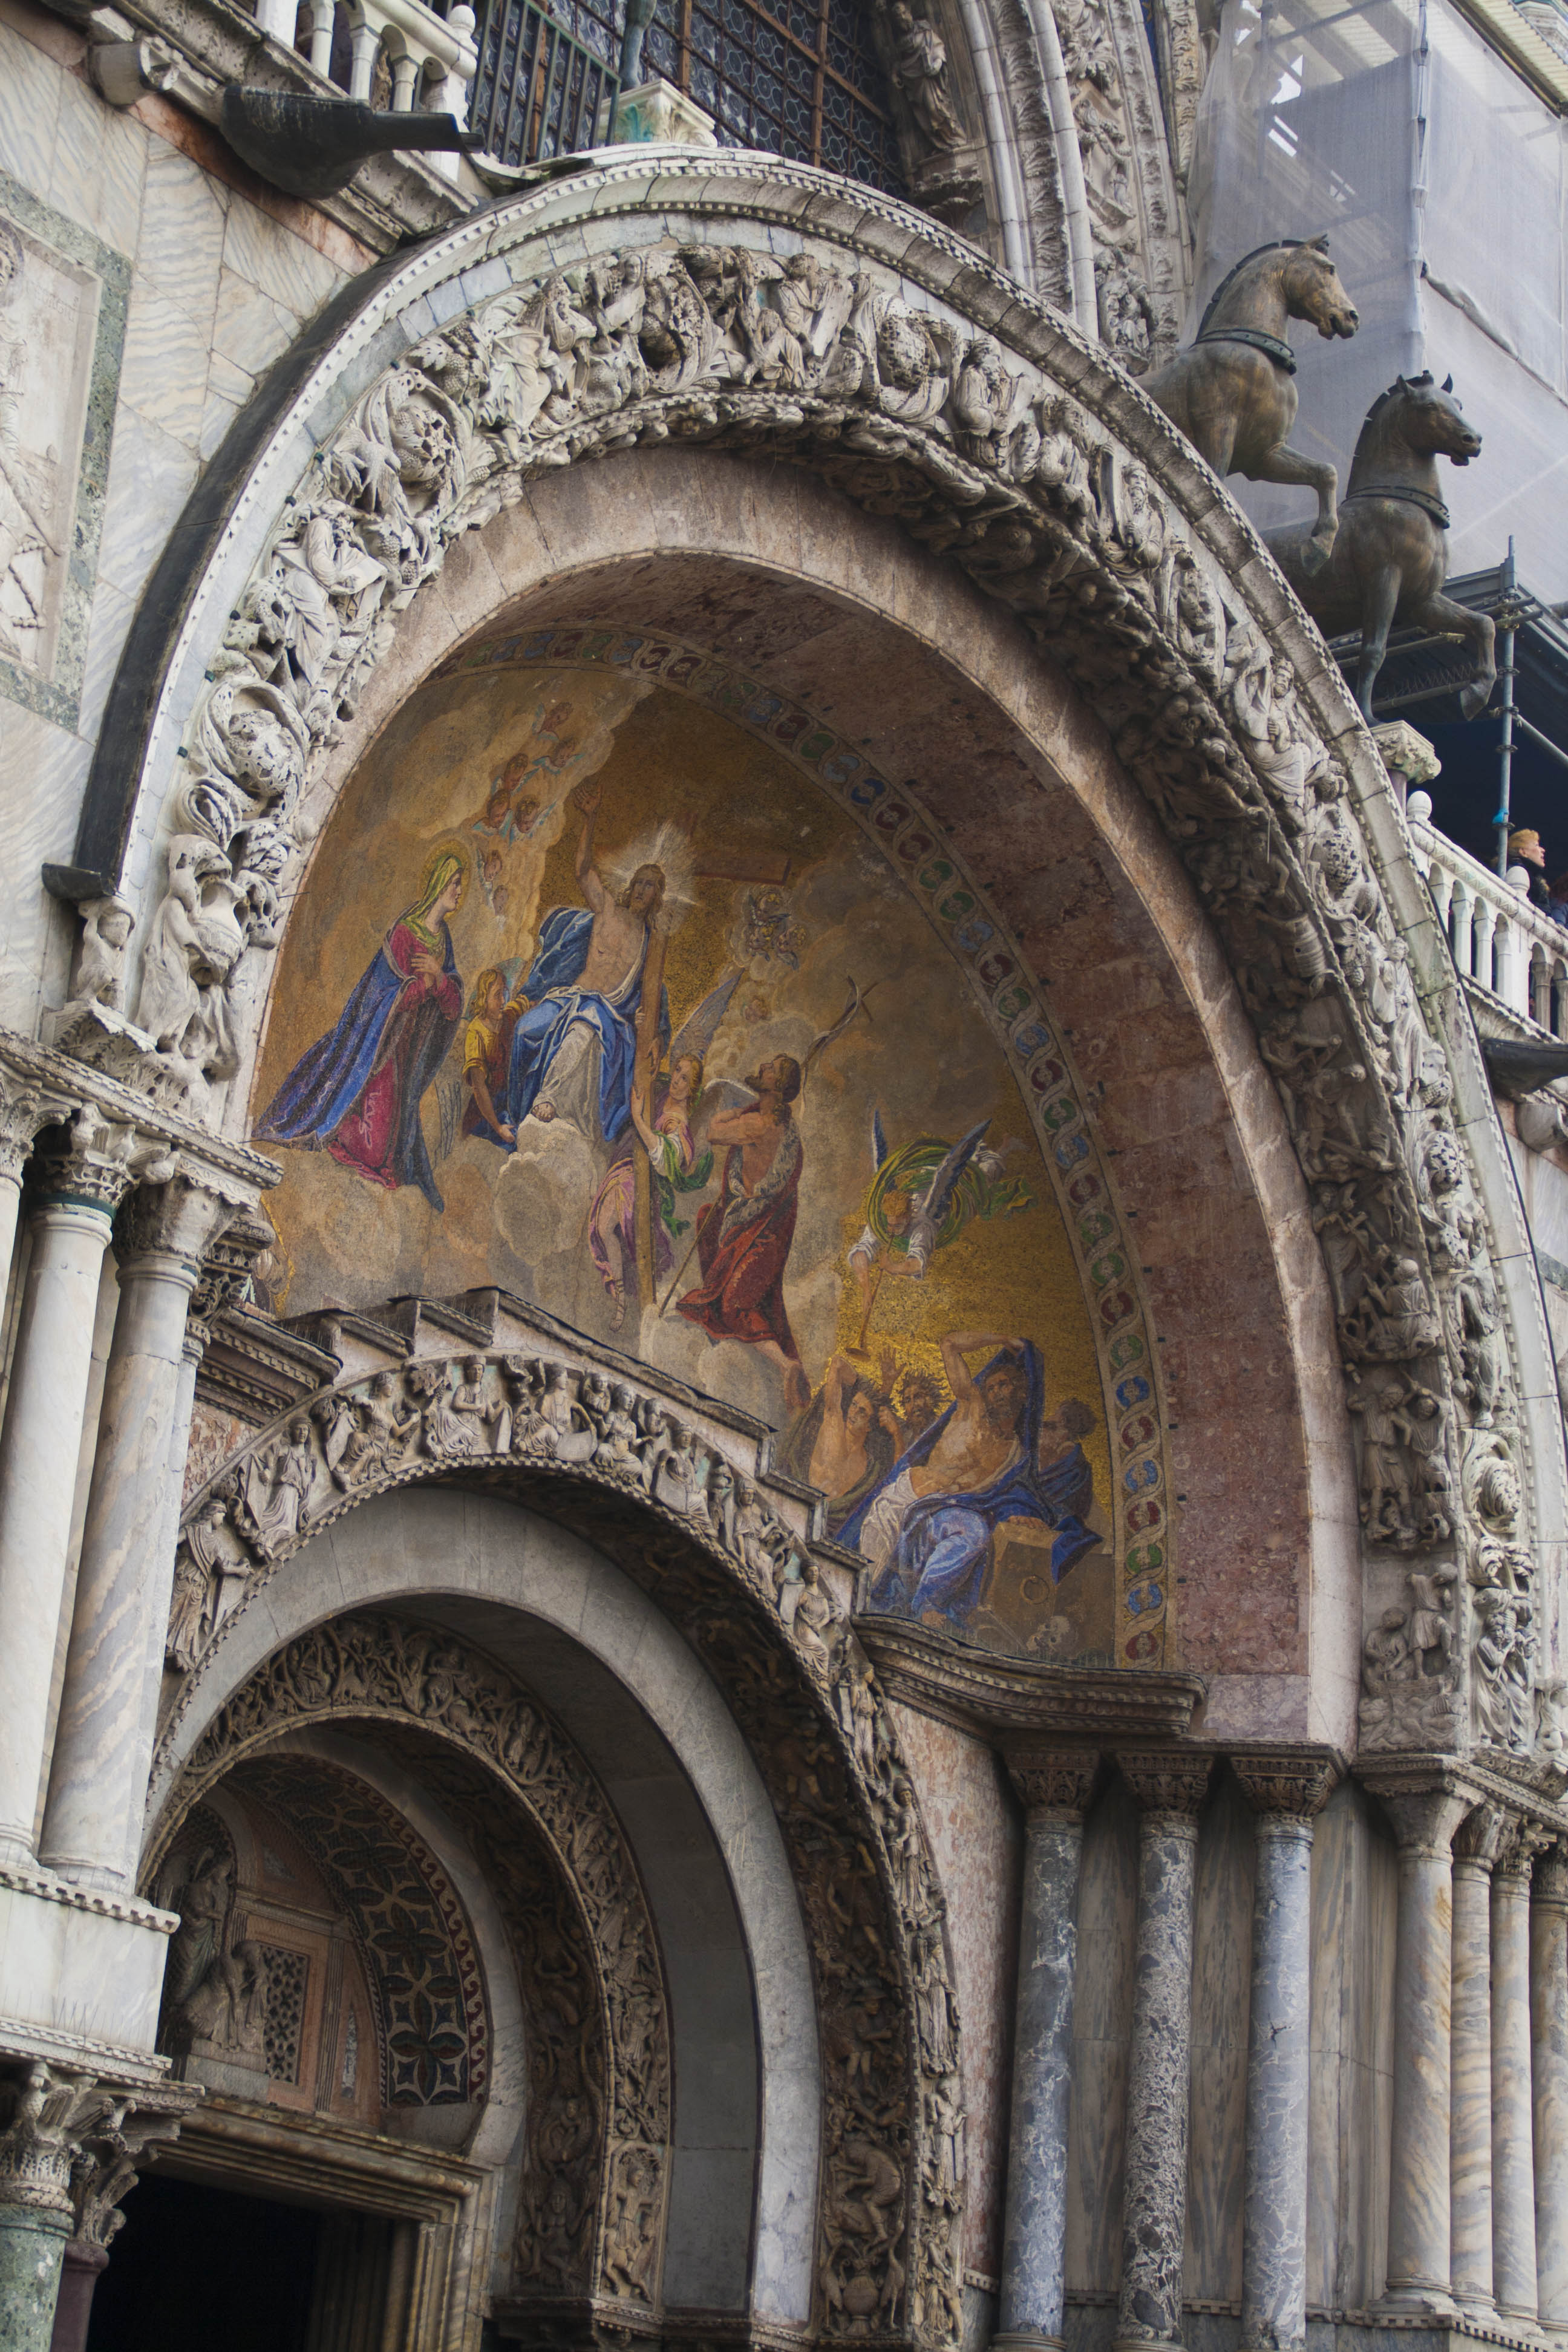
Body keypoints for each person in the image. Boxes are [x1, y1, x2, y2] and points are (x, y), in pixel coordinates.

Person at [840, 1334, 1097, 1632]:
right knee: (860, 1598)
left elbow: (1005, 1498)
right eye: (991, 1387)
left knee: (975, 1532)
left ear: (1022, 1392)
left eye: (1004, 1385)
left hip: (938, 1515)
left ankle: (927, 1604)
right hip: (903, 1502)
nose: (996, 1392)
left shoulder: (1015, 1455)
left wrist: (1020, 1515)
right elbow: (948, 1344)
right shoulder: (970, 1408)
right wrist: (1003, 1338)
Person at [255, 847, 465, 1210]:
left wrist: (440, 979)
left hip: (407, 1056)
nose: (460, 891)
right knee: (372, 1149)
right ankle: (335, 1118)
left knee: (394, 1154)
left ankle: (345, 1113)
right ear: (439, 884)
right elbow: (387, 995)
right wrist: (429, 983)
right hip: (376, 1049)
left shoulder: (443, 941)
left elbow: (454, 1006)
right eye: (456, 883)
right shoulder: (404, 933)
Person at [500, 779, 668, 1145]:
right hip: (571, 997)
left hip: (605, 1015)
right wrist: (590, 820)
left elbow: (650, 995)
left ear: (658, 896)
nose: (641, 889)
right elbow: (581, 871)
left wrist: (642, 1020)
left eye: (650, 886)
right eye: (639, 882)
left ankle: (549, 1100)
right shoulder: (608, 908)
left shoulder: (652, 942)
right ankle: (513, 1113)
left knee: (582, 1032)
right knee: (525, 1030)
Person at [676, 1053, 809, 1411]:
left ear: (777, 1086)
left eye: (772, 1066)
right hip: (749, 1226)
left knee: (735, 1303)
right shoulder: (776, 1125)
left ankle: (786, 1367)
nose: (763, 1064)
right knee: (709, 1219)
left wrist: (737, 1112)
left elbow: (713, 1132)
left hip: (757, 1231)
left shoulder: (759, 1125)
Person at [587, 1053, 711, 1328]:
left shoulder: (677, 1121)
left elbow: (668, 1160)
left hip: (643, 1182)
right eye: (677, 1071)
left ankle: (620, 1299)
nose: (677, 1081)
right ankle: (619, 1294)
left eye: (684, 1079)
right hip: (624, 1163)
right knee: (603, 1228)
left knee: (608, 1228)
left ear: (691, 1090)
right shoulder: (661, 1090)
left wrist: (638, 1118)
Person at [781, 1352, 901, 1536]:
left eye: (862, 1412)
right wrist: (861, 1384)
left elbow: (896, 1480)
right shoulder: (833, 1422)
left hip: (828, 1529)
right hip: (792, 1507)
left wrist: (896, 1433)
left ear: (870, 1426)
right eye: (853, 1405)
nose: (853, 1413)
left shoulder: (871, 1465)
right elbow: (837, 1363)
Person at [461, 967, 520, 1146]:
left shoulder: (509, 1017)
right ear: (483, 998)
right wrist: (498, 1127)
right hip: (486, 1114)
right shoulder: (476, 1032)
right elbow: (480, 1088)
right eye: (497, 996)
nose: (503, 1000)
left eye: (504, 994)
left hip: (508, 1100)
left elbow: (529, 1001)